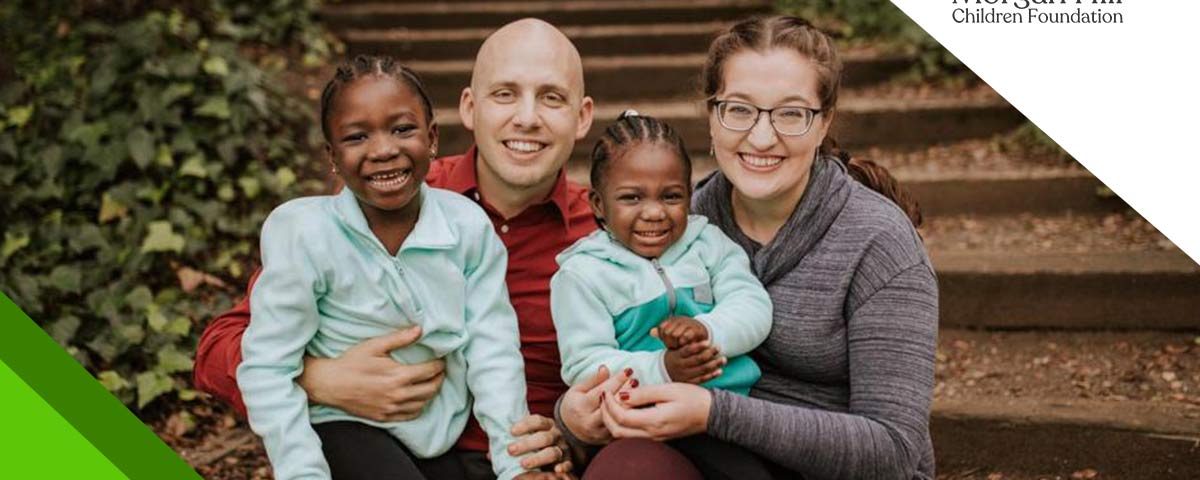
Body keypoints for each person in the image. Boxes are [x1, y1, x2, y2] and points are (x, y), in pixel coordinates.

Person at [194, 18, 704, 479]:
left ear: (582, 116)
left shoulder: (618, 232)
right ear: (469, 108)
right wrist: (318, 379)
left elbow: (662, 364)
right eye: (505, 94)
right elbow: (220, 347)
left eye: (551, 98)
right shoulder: (389, 199)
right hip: (378, 447)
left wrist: (574, 431)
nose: (527, 118)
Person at [562, 15, 939, 480]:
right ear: (711, 116)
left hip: (836, 469)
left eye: (791, 114)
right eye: (739, 109)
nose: (761, 137)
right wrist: (571, 417)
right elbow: (610, 342)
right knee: (628, 468)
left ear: (824, 123)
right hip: (710, 452)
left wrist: (714, 413)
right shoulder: (681, 221)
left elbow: (894, 450)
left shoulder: (878, 242)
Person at [237, 55, 530, 480]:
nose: (383, 150)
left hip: (437, 434)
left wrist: (513, 462)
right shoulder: (304, 233)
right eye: (357, 136)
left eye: (402, 129)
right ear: (332, 156)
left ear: (432, 138)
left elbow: (494, 350)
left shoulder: (466, 226)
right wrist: (302, 472)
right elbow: (267, 365)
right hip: (339, 424)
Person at [552, 111, 772, 395]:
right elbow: (584, 366)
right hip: (643, 412)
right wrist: (662, 369)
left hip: (732, 404)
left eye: (671, 196)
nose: (654, 212)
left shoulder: (709, 244)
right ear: (598, 204)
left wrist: (706, 331)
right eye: (632, 198)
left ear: (689, 196)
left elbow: (753, 307)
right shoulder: (582, 275)